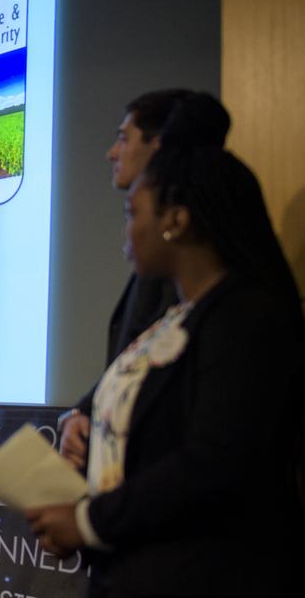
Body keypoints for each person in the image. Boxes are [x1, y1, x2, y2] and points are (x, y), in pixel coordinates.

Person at [27, 137, 305, 598]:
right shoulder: (174, 321)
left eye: (134, 213)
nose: (125, 233)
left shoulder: (248, 318)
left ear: (177, 219)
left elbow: (216, 463)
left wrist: (87, 522)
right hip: (138, 591)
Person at [57, 89, 230, 469]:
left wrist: (89, 520)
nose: (111, 153)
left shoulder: (216, 298)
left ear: (161, 147)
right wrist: (84, 411)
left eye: (123, 138)